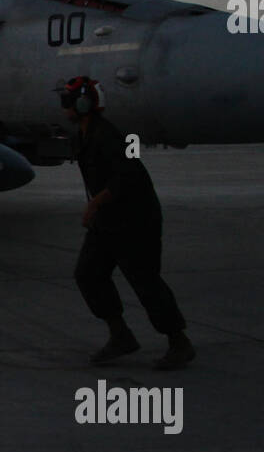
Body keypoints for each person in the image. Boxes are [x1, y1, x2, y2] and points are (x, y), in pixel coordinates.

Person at [60, 76, 195, 369]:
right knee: (88, 274)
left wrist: (94, 204)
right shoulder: (82, 136)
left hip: (135, 219)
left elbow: (128, 178)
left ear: (83, 104)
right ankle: (120, 335)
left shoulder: (108, 136)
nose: (63, 108)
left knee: (145, 281)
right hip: (108, 219)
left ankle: (179, 342)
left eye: (67, 102)